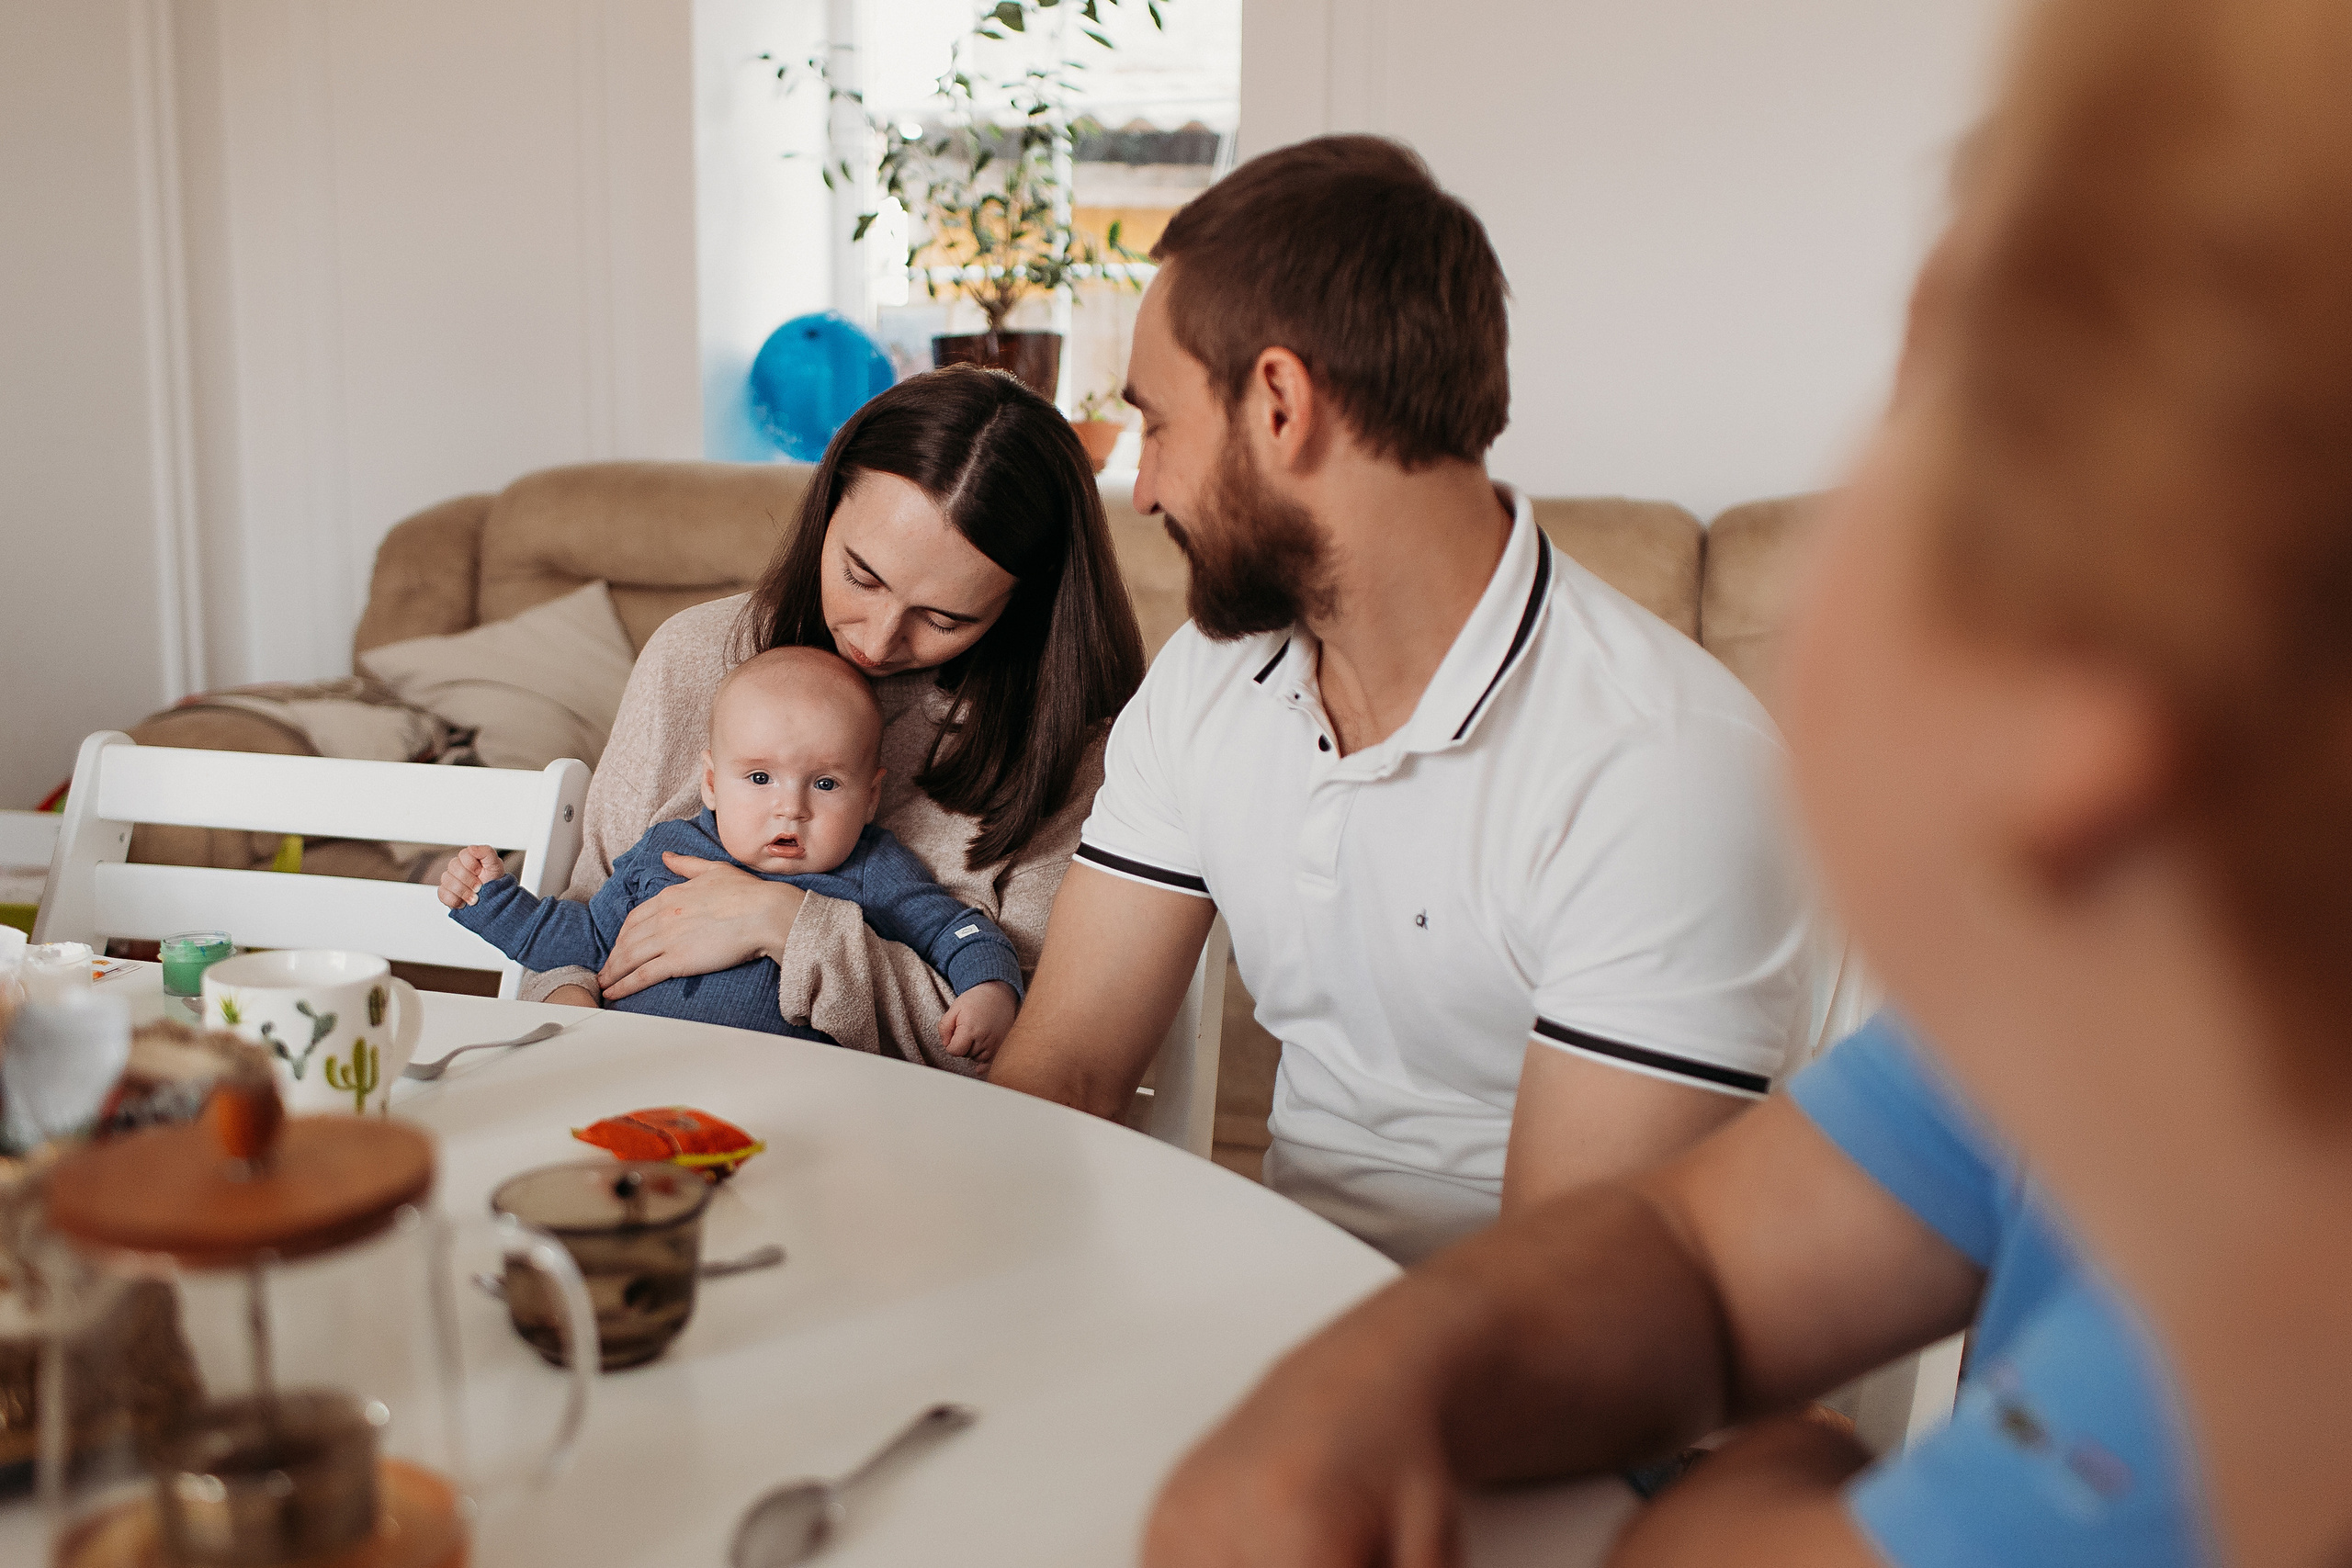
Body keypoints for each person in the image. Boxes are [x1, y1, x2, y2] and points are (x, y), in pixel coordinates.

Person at [1144, 0, 2352, 1562]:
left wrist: (1766, 1476)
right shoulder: (2108, 1004)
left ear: (2082, 721)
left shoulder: (2237, 1370)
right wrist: (1366, 1384)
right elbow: (1699, 1261)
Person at [990, 135, 1822, 1263]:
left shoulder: (1661, 765)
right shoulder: (1208, 676)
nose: (1143, 490)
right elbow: (1066, 1074)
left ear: (1279, 403)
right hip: (1289, 1307)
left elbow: (1566, 1317)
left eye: (1159, 423)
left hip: (1558, 1387)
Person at [518, 366, 1145, 1073]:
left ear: (1021, 605)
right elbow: (581, 915)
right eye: (861, 576)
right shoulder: (693, 657)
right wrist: (576, 1028)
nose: (876, 642)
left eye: (944, 617)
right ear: (826, 508)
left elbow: (1017, 1053)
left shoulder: (1060, 747)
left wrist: (784, 924)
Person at [441, 647, 1023, 1055]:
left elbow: (957, 931)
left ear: (870, 797)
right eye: (760, 778)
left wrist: (989, 988)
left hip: (785, 1093)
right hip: (633, 1070)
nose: (789, 808)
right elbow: (588, 940)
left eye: (825, 784)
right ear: (713, 783)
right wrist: (491, 902)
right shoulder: (668, 851)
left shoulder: (871, 867)